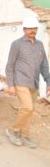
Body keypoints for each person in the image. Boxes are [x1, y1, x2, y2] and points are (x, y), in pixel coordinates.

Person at [5, 16, 50, 149]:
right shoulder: (17, 44)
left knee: (29, 111)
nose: (32, 31)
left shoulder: (40, 45)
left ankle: (24, 135)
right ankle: (13, 130)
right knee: (28, 107)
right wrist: (11, 85)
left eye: (35, 28)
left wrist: (48, 82)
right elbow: (10, 66)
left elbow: (44, 65)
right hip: (21, 81)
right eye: (30, 28)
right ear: (24, 29)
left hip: (34, 83)